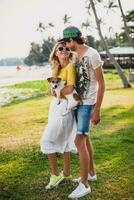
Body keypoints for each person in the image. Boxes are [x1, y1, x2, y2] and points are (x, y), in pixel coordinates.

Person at [59, 26, 105, 199]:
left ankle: (84, 185)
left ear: (72, 40)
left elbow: (102, 83)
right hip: (79, 103)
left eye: (66, 42)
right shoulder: (76, 55)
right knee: (85, 140)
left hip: (88, 104)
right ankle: (90, 174)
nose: (65, 45)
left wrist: (97, 109)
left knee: (79, 141)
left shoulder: (92, 54)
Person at [40, 41, 77, 189]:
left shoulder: (70, 67)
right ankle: (66, 173)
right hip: (55, 107)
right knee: (65, 140)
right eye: (60, 49)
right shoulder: (56, 68)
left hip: (64, 107)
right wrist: (54, 72)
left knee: (47, 141)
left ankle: (56, 175)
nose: (64, 50)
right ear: (55, 52)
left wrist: (57, 92)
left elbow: (70, 88)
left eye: (66, 48)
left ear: (69, 52)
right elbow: (51, 91)